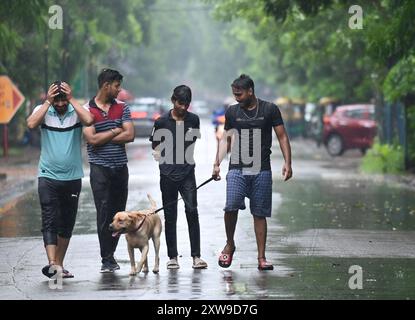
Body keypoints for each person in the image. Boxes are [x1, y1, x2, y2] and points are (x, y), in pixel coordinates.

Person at [212, 74, 293, 271]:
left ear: (250, 91)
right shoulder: (232, 111)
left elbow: (282, 136)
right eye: (234, 94)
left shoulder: (269, 109)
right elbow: (226, 139)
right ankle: (230, 244)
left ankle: (261, 258)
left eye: (239, 94)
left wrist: (288, 162)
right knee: (230, 206)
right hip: (237, 168)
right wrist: (216, 163)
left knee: (259, 213)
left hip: (261, 169)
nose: (237, 98)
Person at [27, 81, 94, 279]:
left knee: (67, 222)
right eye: (57, 100)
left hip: (72, 177)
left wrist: (72, 99)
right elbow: (31, 124)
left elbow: (89, 120)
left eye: (63, 99)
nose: (61, 104)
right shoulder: (44, 109)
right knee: (49, 219)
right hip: (47, 175)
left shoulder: (76, 110)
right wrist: (48, 102)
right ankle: (52, 263)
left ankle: (59, 264)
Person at [150, 85, 208, 270]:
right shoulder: (161, 122)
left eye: (187, 104)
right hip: (167, 175)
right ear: (173, 100)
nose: (183, 107)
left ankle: (196, 257)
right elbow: (155, 147)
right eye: (180, 103)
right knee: (170, 215)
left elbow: (191, 143)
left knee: (192, 211)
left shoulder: (194, 120)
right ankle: (173, 257)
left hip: (187, 173)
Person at [83, 68, 135, 273]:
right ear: (106, 85)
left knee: (118, 214)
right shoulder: (87, 110)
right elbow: (92, 140)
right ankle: (107, 257)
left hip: (120, 167)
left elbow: (130, 134)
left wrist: (102, 135)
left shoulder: (122, 107)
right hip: (100, 169)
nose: (119, 90)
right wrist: (115, 130)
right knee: (104, 213)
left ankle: (110, 255)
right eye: (116, 86)